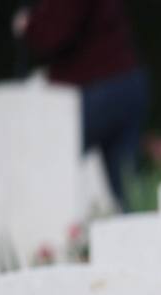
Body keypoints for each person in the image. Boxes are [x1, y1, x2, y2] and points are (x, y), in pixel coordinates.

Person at [13, 0, 149, 210]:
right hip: (125, 81)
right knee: (125, 183)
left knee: (48, 162)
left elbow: (56, 32)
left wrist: (29, 25)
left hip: (98, 88)